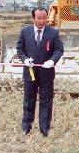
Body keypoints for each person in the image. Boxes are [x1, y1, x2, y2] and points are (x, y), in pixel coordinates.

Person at [16, 7, 64, 136]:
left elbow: (59, 50)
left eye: (44, 18)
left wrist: (52, 61)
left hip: (46, 73)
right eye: (39, 18)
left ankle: (44, 128)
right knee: (28, 99)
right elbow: (20, 49)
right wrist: (25, 59)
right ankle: (26, 127)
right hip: (30, 71)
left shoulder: (53, 32)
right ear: (33, 18)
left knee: (46, 100)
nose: (42, 21)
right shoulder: (25, 31)